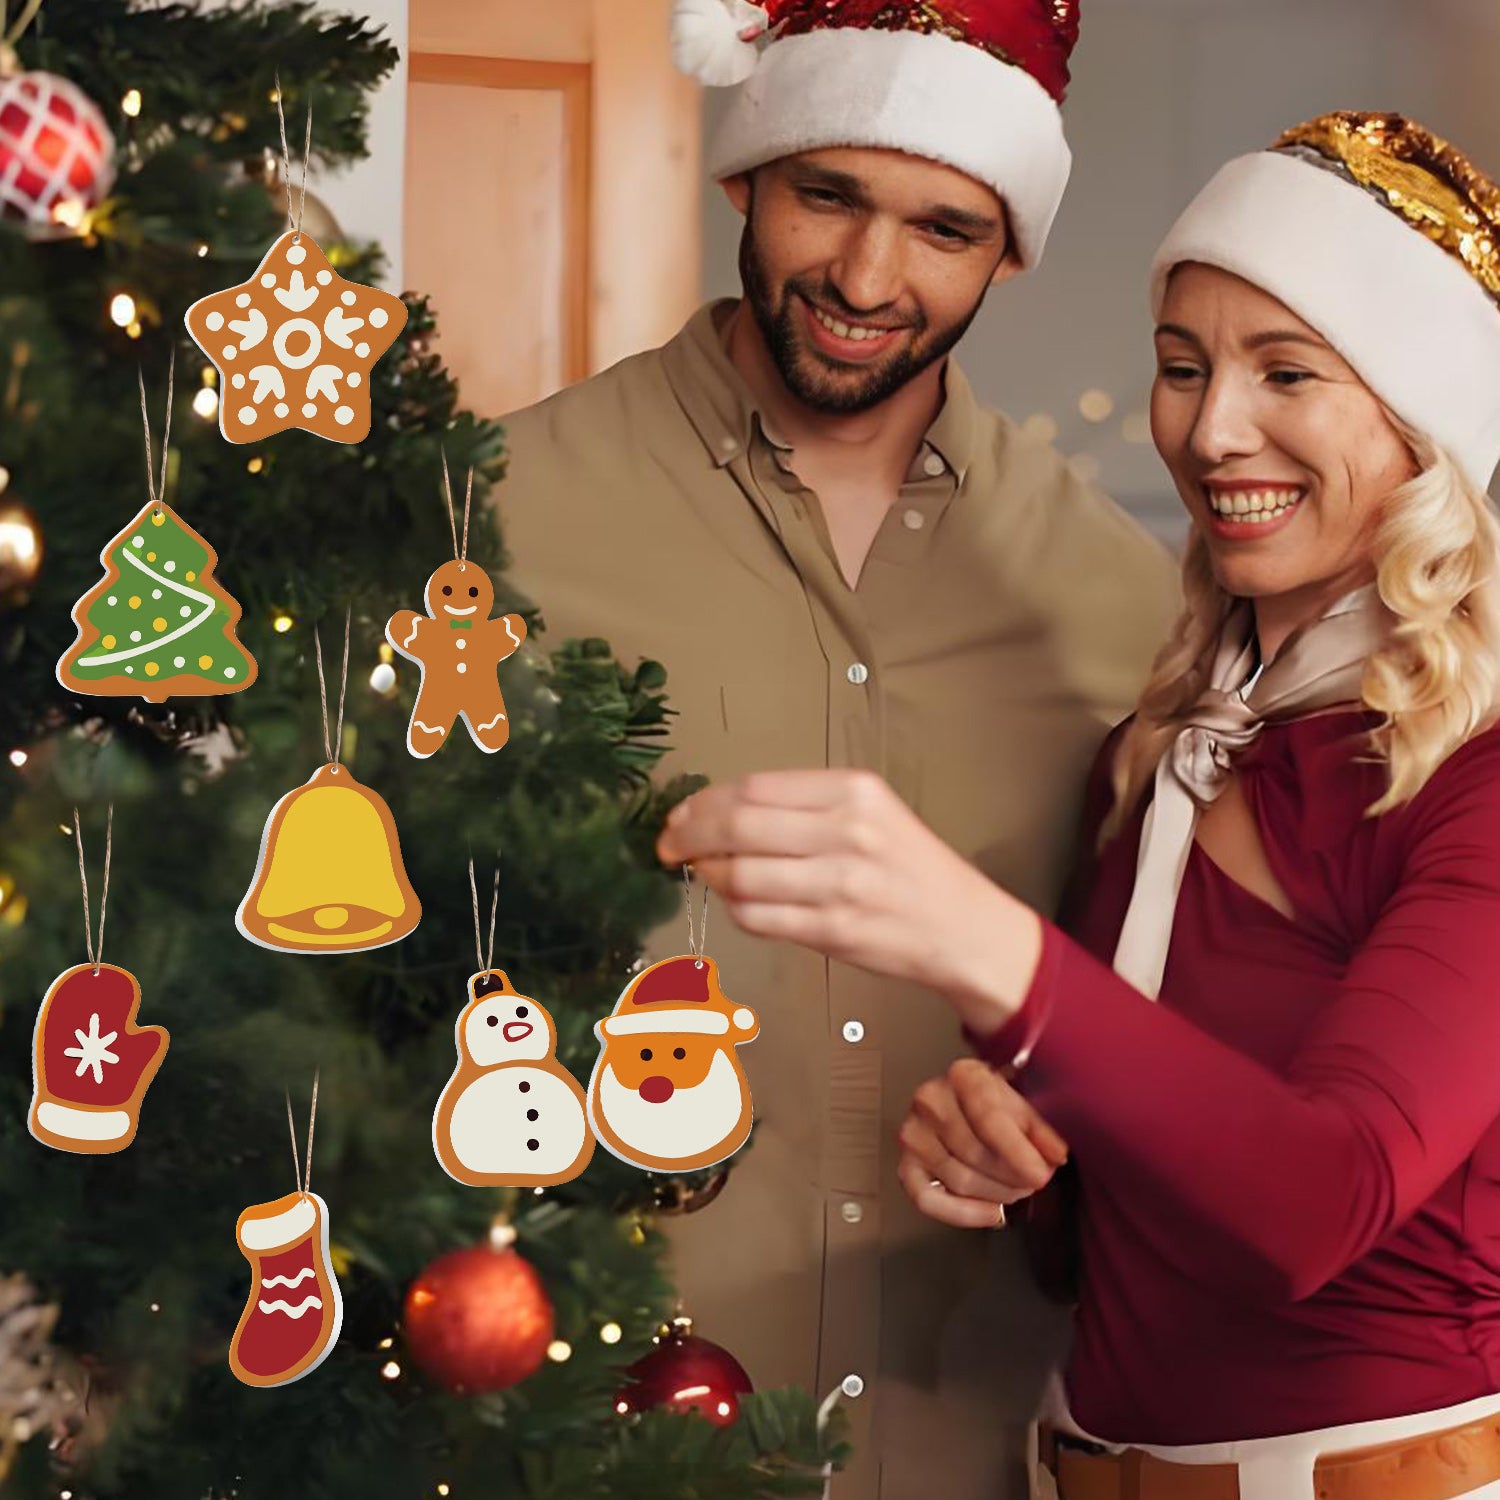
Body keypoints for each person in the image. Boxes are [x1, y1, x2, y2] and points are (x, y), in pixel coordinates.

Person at [657, 109, 1500, 1500]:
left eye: (1286, 371)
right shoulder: (1168, 750)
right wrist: (1019, 1162)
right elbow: (1130, 1226)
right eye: (1182, 367)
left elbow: (1317, 1202)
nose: (1210, 427)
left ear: (1426, 422)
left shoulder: (1473, 775)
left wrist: (981, 945)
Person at [496, 2, 1177, 1495]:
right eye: (829, 196)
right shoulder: (493, 519)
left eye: (943, 227)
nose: (870, 279)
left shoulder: (1125, 606)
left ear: (1007, 248)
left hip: (978, 1433)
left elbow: (1169, 1030)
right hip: (575, 1426)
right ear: (745, 175)